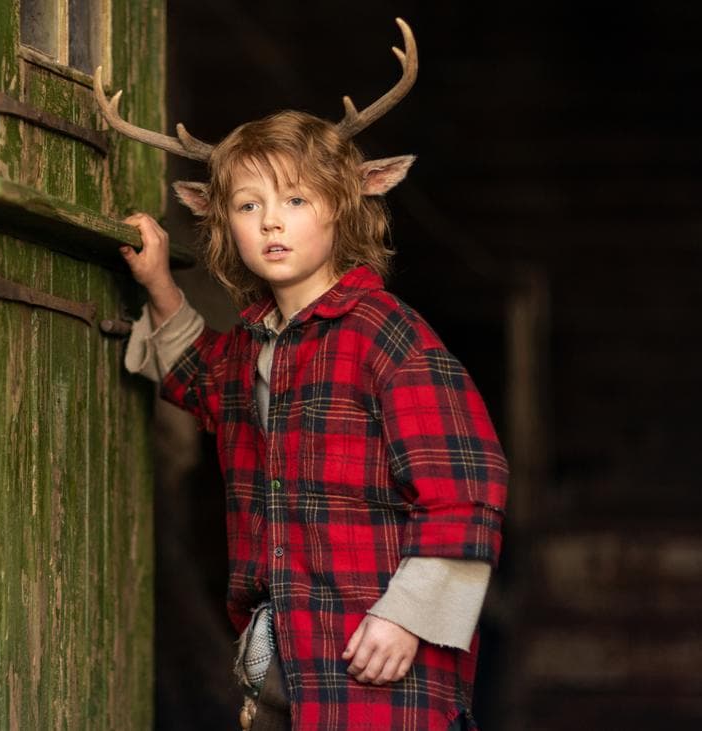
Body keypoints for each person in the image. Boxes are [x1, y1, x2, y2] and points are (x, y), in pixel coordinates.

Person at [99, 21, 507, 731]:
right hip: (290, 662)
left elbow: (469, 489)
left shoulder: (388, 336)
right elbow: (197, 379)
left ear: (349, 202)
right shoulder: (256, 343)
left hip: (381, 661)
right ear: (219, 218)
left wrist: (407, 617)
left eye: (296, 201)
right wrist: (161, 281)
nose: (271, 224)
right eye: (248, 205)